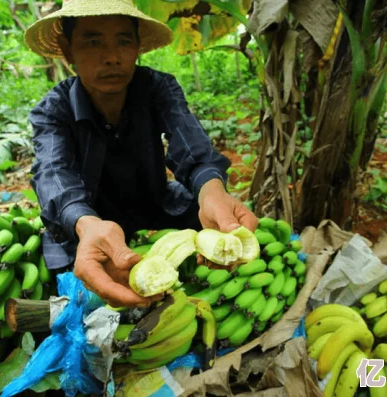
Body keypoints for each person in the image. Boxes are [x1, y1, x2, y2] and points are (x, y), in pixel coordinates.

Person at [24, 0, 258, 308]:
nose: (111, 58)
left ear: (138, 47)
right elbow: (54, 175)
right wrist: (85, 223)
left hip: (152, 204)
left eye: (124, 41)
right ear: (68, 51)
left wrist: (212, 191)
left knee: (212, 218)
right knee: (70, 281)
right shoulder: (53, 110)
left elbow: (191, 145)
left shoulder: (158, 88)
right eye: (93, 42)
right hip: (90, 221)